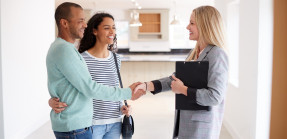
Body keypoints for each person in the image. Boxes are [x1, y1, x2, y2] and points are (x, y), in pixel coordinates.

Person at [47, 2, 144, 139]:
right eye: (80, 20)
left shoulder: (115, 58)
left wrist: (122, 103)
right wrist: (128, 92)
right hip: (90, 123)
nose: (84, 25)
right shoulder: (73, 54)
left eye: (114, 28)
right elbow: (89, 88)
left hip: (112, 121)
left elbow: (112, 85)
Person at [135, 5, 229, 139]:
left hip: (201, 128)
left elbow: (214, 97)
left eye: (192, 23)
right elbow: (175, 79)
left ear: (205, 25)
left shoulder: (217, 54)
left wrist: (183, 89)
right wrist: (146, 85)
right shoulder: (195, 52)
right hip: (186, 123)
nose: (187, 27)